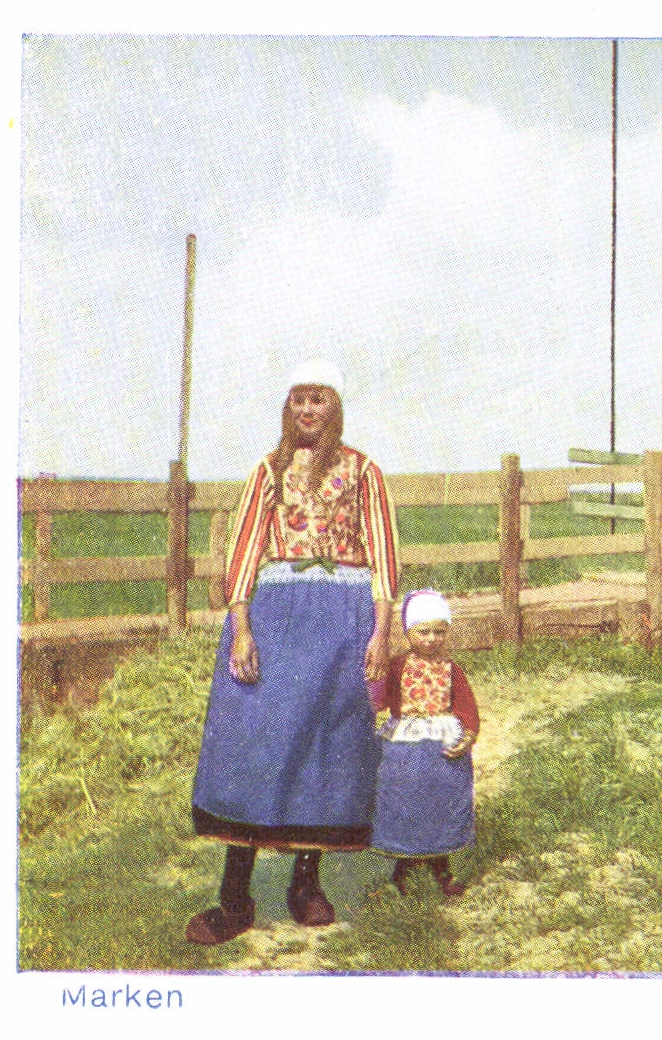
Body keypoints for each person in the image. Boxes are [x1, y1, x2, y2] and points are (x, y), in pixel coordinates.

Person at [186, 358, 400, 945]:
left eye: (320, 399)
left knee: (324, 747)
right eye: (299, 399)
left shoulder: (364, 472)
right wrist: (243, 626)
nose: (308, 410)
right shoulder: (267, 471)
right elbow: (245, 549)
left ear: (336, 406)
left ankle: (306, 884)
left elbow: (383, 555)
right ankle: (234, 898)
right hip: (274, 618)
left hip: (343, 622)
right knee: (255, 744)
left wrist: (382, 633)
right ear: (288, 407)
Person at [370, 590, 478, 897]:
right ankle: (403, 869)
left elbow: (465, 703)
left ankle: (441, 868)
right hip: (406, 743)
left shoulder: (451, 668)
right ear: (407, 632)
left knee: (440, 800)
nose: (431, 639)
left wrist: (468, 733)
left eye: (439, 632)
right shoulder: (397, 666)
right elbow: (378, 698)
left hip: (440, 743)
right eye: (423, 631)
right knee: (407, 800)